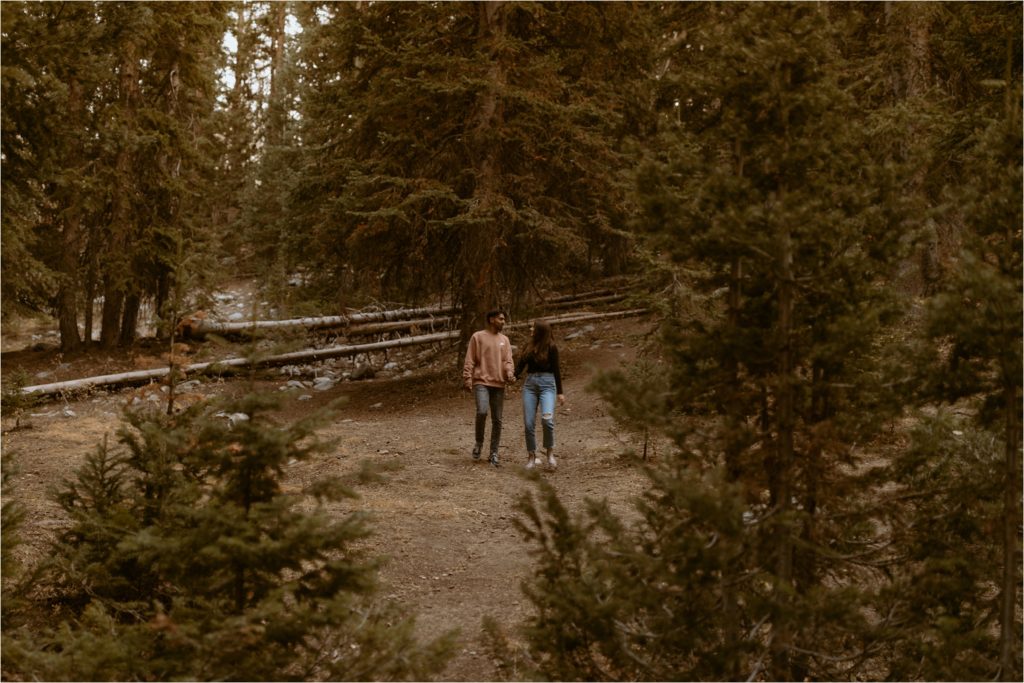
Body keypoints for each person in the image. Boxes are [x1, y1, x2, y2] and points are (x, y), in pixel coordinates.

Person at [462, 310, 515, 466]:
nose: (503, 321)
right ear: (491, 320)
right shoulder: (477, 337)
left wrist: (510, 373)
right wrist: (467, 377)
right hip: (481, 382)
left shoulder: (504, 340)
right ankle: (479, 443)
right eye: (501, 319)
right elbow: (470, 359)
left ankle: (494, 453)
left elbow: (508, 361)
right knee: (482, 411)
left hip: (499, 384)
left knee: (497, 419)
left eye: (504, 319)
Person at [513, 319, 565, 470]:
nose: (530, 330)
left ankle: (549, 454)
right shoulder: (528, 346)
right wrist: (512, 377)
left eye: (533, 328)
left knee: (547, 420)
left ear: (540, 331)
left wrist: (560, 393)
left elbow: (556, 370)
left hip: (548, 385)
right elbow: (519, 368)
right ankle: (531, 456)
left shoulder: (551, 347)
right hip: (530, 385)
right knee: (529, 423)